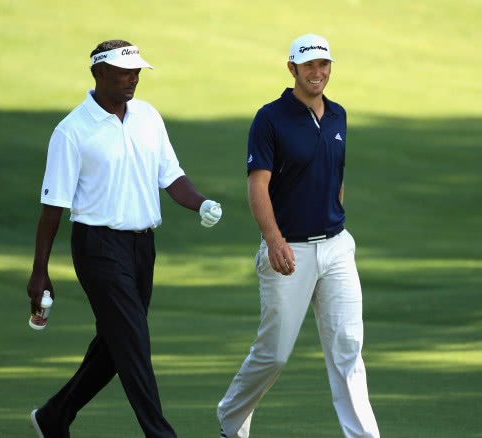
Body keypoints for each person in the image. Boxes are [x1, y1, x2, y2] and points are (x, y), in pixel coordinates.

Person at [27, 39, 223, 438]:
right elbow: (52, 209)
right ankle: (160, 434)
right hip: (97, 247)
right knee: (133, 341)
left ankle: (54, 415)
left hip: (142, 248)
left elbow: (171, 176)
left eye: (136, 72)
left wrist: (200, 203)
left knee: (116, 345)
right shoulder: (71, 131)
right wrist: (39, 273)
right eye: (123, 72)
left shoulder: (148, 117)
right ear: (98, 73)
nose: (133, 79)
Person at [216, 33, 380, 438]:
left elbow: (335, 176)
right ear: (292, 68)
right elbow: (258, 186)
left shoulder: (338, 114)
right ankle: (230, 421)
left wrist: (333, 215)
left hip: (337, 246)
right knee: (274, 354)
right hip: (289, 249)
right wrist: (273, 239)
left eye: (324, 65)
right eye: (309, 65)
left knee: (347, 349)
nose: (318, 72)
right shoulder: (270, 118)